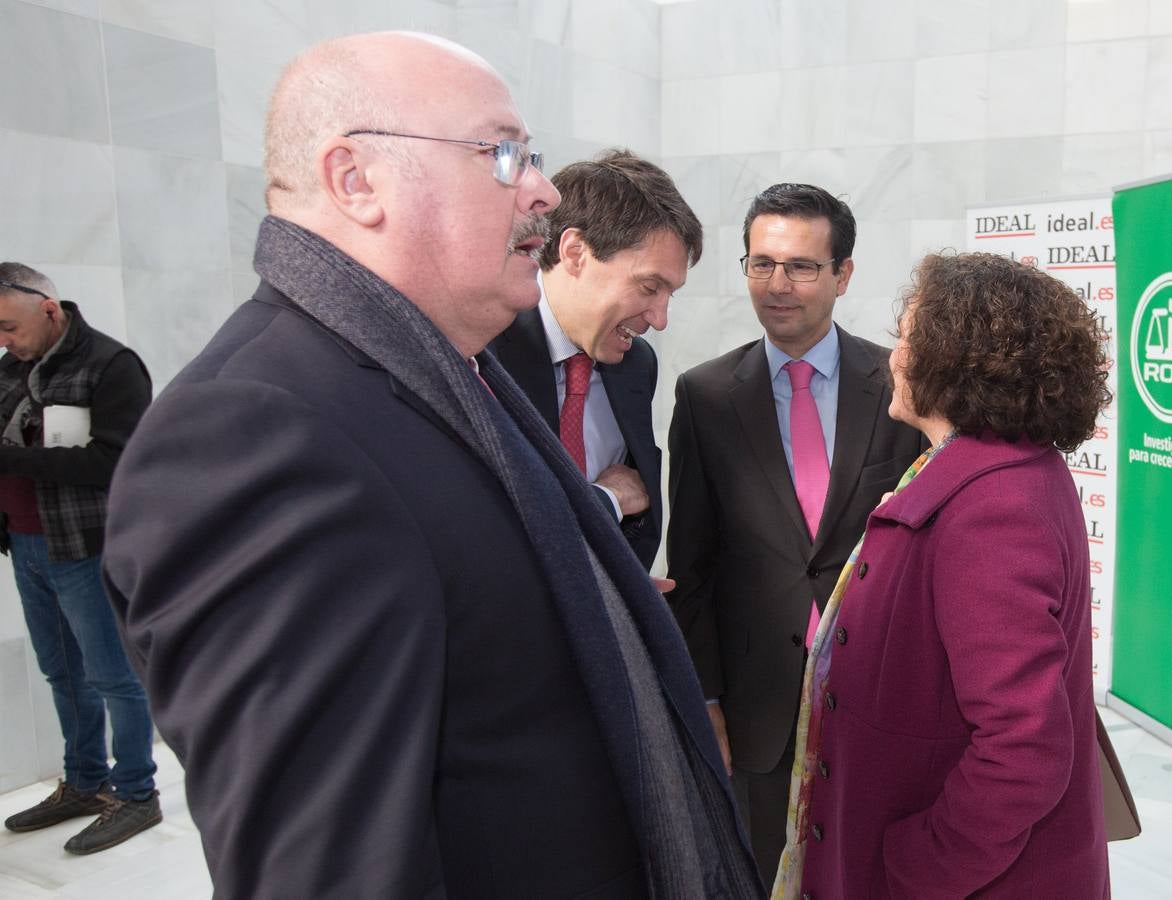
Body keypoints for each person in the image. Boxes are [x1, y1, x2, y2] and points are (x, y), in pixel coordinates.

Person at [100, 33, 760, 899]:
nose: (544, 191)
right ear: (355, 180)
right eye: (503, 154)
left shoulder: (454, 370)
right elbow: (330, 869)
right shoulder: (249, 431)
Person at [776, 251, 1112, 899]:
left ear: (953, 355)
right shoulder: (987, 469)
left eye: (907, 336)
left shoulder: (995, 505)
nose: (893, 357)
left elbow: (1024, 750)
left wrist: (918, 868)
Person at [665, 183, 926, 885]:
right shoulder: (705, 395)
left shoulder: (902, 387)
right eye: (761, 264)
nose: (778, 286)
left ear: (843, 274)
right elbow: (694, 565)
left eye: (803, 266)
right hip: (759, 709)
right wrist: (708, 700)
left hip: (877, 693)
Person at [0, 263, 160, 854]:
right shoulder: (11, 369)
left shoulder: (111, 365)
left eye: (8, 327)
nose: (4, 341)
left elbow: (116, 462)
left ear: (47, 309)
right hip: (25, 541)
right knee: (61, 671)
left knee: (113, 676)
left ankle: (137, 793)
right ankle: (85, 782)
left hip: (86, 545)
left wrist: (14, 460)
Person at [490, 148, 700, 570]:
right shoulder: (484, 355)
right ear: (574, 252)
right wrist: (606, 501)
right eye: (648, 287)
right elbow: (493, 531)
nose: (659, 320)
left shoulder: (636, 365)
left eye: (669, 294)